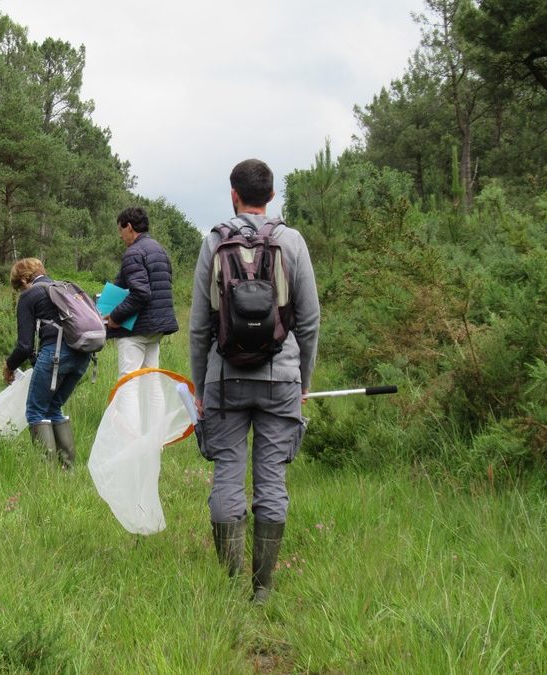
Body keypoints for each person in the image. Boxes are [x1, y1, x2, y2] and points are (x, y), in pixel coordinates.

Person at [188, 159, 320, 603]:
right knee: (271, 481)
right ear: (272, 195)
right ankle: (261, 589)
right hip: (282, 379)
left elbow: (199, 326)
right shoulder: (293, 241)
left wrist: (200, 384)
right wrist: (302, 380)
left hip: (225, 380)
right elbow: (309, 320)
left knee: (227, 473)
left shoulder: (214, 242)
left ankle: (229, 584)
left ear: (233, 194)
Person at [4, 258, 91, 469]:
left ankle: (47, 472)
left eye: (18, 287)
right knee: (53, 407)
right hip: (83, 355)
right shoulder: (65, 288)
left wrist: (9, 366)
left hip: (56, 354)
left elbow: (24, 345)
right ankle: (67, 469)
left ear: (25, 280)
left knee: (35, 411)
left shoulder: (30, 295)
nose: (19, 291)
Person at [103, 207, 179, 376]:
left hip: (136, 329)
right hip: (156, 328)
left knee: (128, 381)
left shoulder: (134, 252)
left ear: (129, 227)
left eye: (120, 230)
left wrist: (115, 317)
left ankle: (127, 404)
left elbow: (141, 293)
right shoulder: (160, 250)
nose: (120, 235)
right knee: (151, 379)